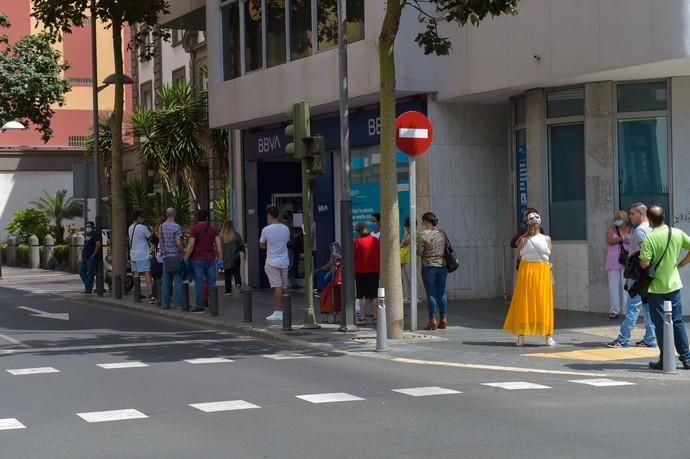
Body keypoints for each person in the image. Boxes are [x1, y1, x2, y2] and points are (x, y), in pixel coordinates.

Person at [639, 205, 690, 370]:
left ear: (650, 220)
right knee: (677, 321)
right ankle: (687, 358)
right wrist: (681, 264)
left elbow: (644, 264)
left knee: (661, 325)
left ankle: (665, 359)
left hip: (656, 288)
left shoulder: (650, 239)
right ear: (664, 217)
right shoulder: (677, 233)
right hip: (674, 285)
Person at [503, 211, 555, 346]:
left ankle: (521, 336)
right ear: (540, 223)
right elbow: (548, 255)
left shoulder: (523, 240)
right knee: (543, 302)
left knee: (524, 302)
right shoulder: (547, 238)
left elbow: (519, 255)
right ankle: (548, 336)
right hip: (542, 272)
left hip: (526, 272)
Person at [607, 203, 656, 348]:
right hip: (648, 275)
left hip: (638, 274)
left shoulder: (640, 231)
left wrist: (638, 271)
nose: (630, 217)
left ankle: (623, 338)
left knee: (632, 307)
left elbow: (643, 255)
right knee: (647, 308)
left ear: (641, 214)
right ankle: (650, 338)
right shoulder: (652, 228)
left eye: (632, 214)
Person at [185, 209, 222, 313]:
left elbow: (191, 245)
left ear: (197, 218)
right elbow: (219, 246)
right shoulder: (213, 229)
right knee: (212, 283)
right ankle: (213, 304)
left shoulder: (194, 229)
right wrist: (220, 258)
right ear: (207, 218)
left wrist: (185, 258)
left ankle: (199, 306)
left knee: (199, 283)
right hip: (210, 259)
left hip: (197, 260)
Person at [417, 212, 449, 330]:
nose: (422, 224)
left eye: (423, 221)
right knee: (441, 292)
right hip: (442, 266)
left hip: (429, 266)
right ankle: (443, 319)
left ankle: (432, 320)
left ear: (426, 221)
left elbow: (419, 252)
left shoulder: (423, 234)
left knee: (431, 293)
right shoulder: (442, 233)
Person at [260, 206, 292, 321]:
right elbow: (287, 240)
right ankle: (286, 309)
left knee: (277, 286)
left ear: (269, 216)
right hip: (284, 261)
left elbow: (262, 244)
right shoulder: (285, 228)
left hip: (272, 261)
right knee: (284, 286)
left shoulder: (266, 230)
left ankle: (279, 311)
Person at [606, 210, 633, 319]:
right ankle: (614, 309)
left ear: (625, 219)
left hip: (627, 260)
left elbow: (636, 242)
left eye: (619, 218)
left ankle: (627, 310)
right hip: (613, 260)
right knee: (613, 286)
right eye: (615, 218)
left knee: (626, 286)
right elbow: (609, 240)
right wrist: (622, 238)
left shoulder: (632, 230)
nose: (616, 220)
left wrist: (624, 238)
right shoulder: (611, 229)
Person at [354, 222, 380, 325]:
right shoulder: (375, 241)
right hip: (374, 270)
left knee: (361, 295)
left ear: (359, 232)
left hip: (360, 271)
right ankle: (375, 317)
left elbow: (354, 255)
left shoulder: (357, 242)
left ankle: (362, 318)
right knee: (374, 295)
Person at [158, 208, 184, 310]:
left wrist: (164, 252)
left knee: (165, 281)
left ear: (166, 214)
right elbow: (178, 243)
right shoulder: (177, 227)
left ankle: (165, 304)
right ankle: (178, 304)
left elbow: (161, 242)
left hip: (166, 257)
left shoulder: (161, 227)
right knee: (177, 280)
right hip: (175, 256)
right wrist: (182, 251)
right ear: (174, 214)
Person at [128, 209, 155, 304]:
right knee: (147, 273)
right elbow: (151, 237)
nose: (143, 219)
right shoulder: (142, 227)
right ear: (138, 217)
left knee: (136, 273)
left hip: (133, 254)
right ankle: (151, 293)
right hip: (142, 254)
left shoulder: (130, 227)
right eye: (142, 217)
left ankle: (137, 292)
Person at [220, 220, 245, 295]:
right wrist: (244, 253)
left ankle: (228, 291)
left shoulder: (220, 236)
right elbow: (241, 246)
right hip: (235, 257)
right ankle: (238, 284)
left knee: (227, 274)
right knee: (237, 272)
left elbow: (218, 248)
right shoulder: (236, 235)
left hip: (225, 258)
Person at [79, 221, 101, 294]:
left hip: (90, 258)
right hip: (85, 257)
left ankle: (88, 288)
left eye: (89, 226)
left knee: (90, 274)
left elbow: (98, 245)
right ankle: (88, 285)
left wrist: (93, 255)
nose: (87, 228)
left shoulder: (95, 234)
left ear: (92, 227)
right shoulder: (87, 235)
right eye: (87, 227)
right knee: (81, 271)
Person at [400, 217, 412, 302]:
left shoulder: (413, 234)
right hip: (404, 258)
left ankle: (417, 296)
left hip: (410, 259)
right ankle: (407, 296)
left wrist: (405, 233)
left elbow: (403, 243)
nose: (405, 228)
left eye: (406, 226)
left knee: (411, 277)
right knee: (405, 278)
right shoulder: (407, 234)